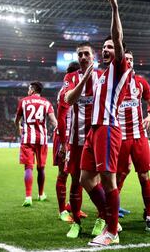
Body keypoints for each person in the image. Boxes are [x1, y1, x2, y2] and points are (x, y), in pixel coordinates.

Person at [80, 0, 132, 246]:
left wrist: (114, 8)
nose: (106, 50)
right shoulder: (100, 74)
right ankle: (111, 219)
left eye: (110, 47)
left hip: (109, 128)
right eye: (104, 48)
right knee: (85, 178)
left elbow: (118, 37)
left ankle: (111, 232)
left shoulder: (120, 66)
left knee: (109, 180)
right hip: (94, 130)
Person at [63, 44, 102, 239]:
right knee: (76, 180)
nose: (83, 57)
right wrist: (85, 77)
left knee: (98, 180)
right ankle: (76, 222)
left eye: (87, 53)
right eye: (80, 55)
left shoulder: (102, 76)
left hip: (98, 137)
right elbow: (69, 99)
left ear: (93, 56)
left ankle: (103, 218)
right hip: (76, 139)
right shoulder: (71, 77)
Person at [116, 50, 150, 231]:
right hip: (119, 137)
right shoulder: (112, 83)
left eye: (132, 59)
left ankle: (149, 215)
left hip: (139, 136)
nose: (130, 62)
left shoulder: (140, 83)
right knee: (117, 178)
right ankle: (111, 215)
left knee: (144, 176)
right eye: (127, 59)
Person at [15, 81, 57, 207]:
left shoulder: (23, 101)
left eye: (29, 89)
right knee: (41, 168)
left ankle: (28, 197)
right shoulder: (46, 103)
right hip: (42, 139)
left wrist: (19, 129)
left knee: (28, 167)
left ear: (32, 90)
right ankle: (41, 194)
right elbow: (53, 121)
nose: (28, 91)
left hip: (27, 139)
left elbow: (17, 120)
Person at [53, 61, 85, 223]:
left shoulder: (80, 90)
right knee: (63, 173)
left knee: (77, 175)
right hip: (64, 136)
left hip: (75, 137)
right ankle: (61, 211)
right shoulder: (66, 92)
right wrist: (64, 144)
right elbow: (61, 119)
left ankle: (74, 208)